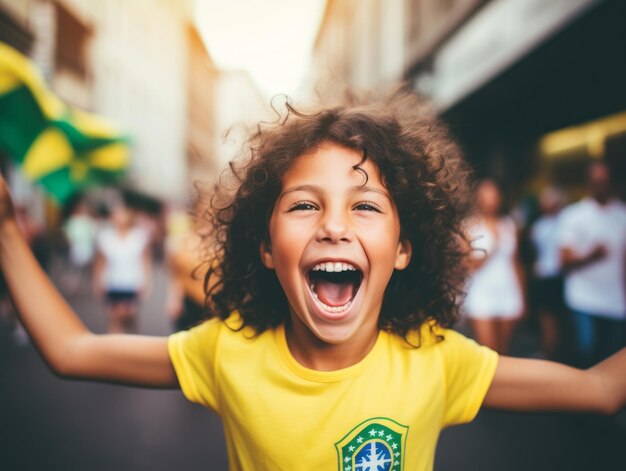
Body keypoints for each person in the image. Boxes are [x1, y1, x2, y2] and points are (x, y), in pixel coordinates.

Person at [0, 91, 624, 471]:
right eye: (303, 205)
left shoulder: (437, 360)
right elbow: (70, 350)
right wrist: (7, 231)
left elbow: (599, 388)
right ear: (268, 249)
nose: (332, 226)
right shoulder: (226, 349)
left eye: (366, 205)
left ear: (404, 250)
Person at [558, 161, 626, 366]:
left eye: (605, 180)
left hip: (615, 299)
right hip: (583, 297)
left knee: (612, 358)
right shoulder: (574, 215)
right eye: (596, 180)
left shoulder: (622, 214)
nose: (601, 185)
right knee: (587, 353)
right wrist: (591, 256)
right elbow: (564, 259)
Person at [463, 179, 525, 354]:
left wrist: (522, 297)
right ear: (477, 198)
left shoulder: (509, 225)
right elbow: (470, 265)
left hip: (508, 292)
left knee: (504, 351)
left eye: (493, 195)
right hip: (481, 294)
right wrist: (493, 247)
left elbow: (516, 263)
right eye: (485, 195)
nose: (489, 199)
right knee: (488, 352)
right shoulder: (470, 227)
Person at [93, 204, 151, 333]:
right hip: (112, 282)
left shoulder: (138, 237)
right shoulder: (105, 237)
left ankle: (129, 340)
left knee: (129, 314)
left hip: (132, 282)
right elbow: (100, 262)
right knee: (114, 316)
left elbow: (145, 261)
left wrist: (146, 282)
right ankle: (114, 346)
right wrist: (98, 282)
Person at [529, 186, 568, 360]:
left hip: (558, 276)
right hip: (545, 276)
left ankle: (553, 353)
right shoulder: (539, 225)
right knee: (547, 319)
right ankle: (550, 352)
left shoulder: (566, 222)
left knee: (557, 319)